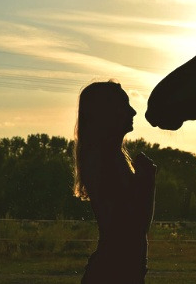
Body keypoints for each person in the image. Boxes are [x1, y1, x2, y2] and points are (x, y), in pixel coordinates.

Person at [73, 80, 156, 284]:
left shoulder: (108, 158)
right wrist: (147, 182)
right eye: (124, 104)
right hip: (116, 272)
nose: (133, 112)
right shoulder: (104, 161)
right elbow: (135, 226)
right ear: (107, 113)